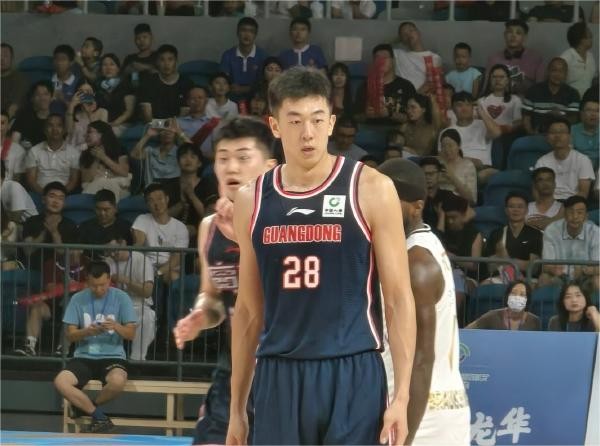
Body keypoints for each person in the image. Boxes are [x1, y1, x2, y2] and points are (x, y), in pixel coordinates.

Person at [226, 67, 416, 445]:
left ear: (331, 123)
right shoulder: (251, 199)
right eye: (295, 121)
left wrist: (402, 397)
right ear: (275, 126)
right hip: (279, 373)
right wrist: (236, 409)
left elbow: (398, 298)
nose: (307, 133)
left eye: (316, 120)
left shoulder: (371, 188)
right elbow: (247, 309)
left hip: (353, 370)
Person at [172, 116, 277, 445]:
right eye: (223, 158)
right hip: (233, 370)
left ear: (269, 167)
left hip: (284, 370)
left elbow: (289, 296)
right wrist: (202, 313)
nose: (232, 167)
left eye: (243, 157)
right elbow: (214, 295)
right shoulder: (209, 227)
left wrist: (244, 237)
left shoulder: (289, 222)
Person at [378, 158, 470, 445]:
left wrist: (404, 438)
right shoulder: (419, 246)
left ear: (416, 206)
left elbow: (420, 358)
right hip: (432, 404)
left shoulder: (416, 262)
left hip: (422, 414)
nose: (378, 209)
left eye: (388, 202)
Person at [53, 260, 137, 433]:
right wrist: (88, 332)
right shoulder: (77, 299)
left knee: (117, 382)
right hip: (84, 356)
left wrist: (116, 326)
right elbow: (70, 335)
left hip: (113, 356)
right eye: (94, 286)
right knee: (61, 382)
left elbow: (131, 334)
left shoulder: (122, 297)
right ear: (87, 281)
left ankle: (86, 407)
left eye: (103, 285)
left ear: (109, 280)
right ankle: (100, 417)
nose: (99, 289)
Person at [16, 182, 78, 356]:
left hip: (62, 282)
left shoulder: (70, 225)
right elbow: (28, 250)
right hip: (38, 279)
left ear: (64, 202)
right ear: (43, 199)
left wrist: (55, 232)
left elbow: (65, 253)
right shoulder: (32, 222)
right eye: (52, 196)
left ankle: (62, 349)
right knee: (37, 307)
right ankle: (29, 347)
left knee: (70, 308)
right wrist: (45, 231)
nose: (56, 201)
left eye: (60, 198)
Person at [105, 239, 156, 360]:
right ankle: (110, 357)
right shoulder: (107, 262)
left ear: (123, 243)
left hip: (139, 303)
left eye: (115, 250)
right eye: (109, 251)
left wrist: (126, 280)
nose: (112, 254)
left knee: (147, 317)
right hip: (114, 304)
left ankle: (138, 358)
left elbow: (147, 291)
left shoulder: (141, 259)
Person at [132, 183, 189, 283]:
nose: (156, 203)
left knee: (173, 276)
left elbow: (177, 257)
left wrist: (158, 272)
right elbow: (138, 243)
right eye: (151, 200)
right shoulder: (142, 219)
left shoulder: (180, 227)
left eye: (159, 198)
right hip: (147, 266)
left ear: (167, 199)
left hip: (169, 268)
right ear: (147, 204)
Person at [441, 92, 501, 184]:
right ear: (453, 109)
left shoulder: (483, 126)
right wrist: (467, 161)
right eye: (459, 105)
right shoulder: (446, 132)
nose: (464, 108)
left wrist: (481, 112)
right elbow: (442, 158)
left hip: (482, 170)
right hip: (457, 169)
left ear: (473, 107)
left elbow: (497, 133)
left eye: (468, 105)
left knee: (482, 175)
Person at [540, 195, 599, 288]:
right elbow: (546, 265)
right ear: (564, 214)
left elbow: (598, 266)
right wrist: (555, 270)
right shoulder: (552, 230)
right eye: (571, 212)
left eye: (580, 213)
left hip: (586, 276)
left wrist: (584, 271)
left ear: (586, 216)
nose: (575, 216)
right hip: (559, 277)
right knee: (544, 278)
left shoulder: (595, 232)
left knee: (598, 280)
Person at [482, 191, 543, 280]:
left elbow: (533, 267)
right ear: (506, 210)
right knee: (485, 285)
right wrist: (517, 263)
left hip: (527, 280)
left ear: (526, 210)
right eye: (511, 206)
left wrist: (504, 259)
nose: (516, 210)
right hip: (500, 278)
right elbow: (490, 267)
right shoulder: (496, 234)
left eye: (520, 207)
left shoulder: (535, 234)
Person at [166, 143, 219, 242]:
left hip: (201, 234)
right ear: (178, 162)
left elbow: (210, 217)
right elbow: (162, 215)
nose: (188, 159)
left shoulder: (208, 184)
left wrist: (192, 196)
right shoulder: (170, 185)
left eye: (193, 157)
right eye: (184, 156)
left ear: (199, 163)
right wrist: (181, 204)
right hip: (170, 234)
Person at [534, 116, 595, 200]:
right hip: (549, 203)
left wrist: (567, 206)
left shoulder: (583, 160)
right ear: (547, 138)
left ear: (570, 136)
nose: (557, 136)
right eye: (553, 132)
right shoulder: (542, 162)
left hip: (574, 203)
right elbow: (536, 190)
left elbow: (583, 192)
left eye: (562, 132)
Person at [355, 44, 416, 126]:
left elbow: (413, 118)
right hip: (370, 129)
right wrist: (366, 115)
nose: (381, 61)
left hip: (398, 131)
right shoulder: (365, 86)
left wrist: (390, 114)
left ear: (393, 61)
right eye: (377, 58)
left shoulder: (406, 86)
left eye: (384, 57)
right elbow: (355, 118)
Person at [485, 19, 545, 97]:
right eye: (510, 32)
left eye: (518, 33)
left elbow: (540, 89)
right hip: (499, 100)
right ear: (504, 35)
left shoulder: (536, 58)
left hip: (526, 101)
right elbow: (487, 87)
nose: (513, 36)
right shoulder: (494, 58)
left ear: (525, 37)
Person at [25, 113, 80, 194]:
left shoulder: (74, 152)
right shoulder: (34, 151)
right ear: (45, 130)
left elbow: (73, 180)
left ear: (64, 130)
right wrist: (45, 195)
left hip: (65, 194)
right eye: (50, 125)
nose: (55, 129)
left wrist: (59, 195)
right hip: (40, 193)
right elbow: (31, 180)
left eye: (59, 125)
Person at [522, 57, 581, 134]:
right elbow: (526, 118)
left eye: (561, 71)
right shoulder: (533, 90)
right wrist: (532, 134)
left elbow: (573, 119)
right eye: (554, 70)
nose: (557, 74)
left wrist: (559, 118)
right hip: (536, 134)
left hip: (561, 136)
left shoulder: (573, 93)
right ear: (548, 72)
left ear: (566, 74)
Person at [138, 44, 194, 122]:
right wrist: (159, 125)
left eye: (170, 59)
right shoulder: (148, 82)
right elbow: (147, 115)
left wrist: (171, 126)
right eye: (162, 60)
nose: (166, 63)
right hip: (154, 125)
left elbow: (184, 113)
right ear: (157, 62)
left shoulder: (186, 83)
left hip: (177, 125)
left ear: (176, 61)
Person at [79, 121, 130, 200]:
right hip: (94, 188)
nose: (85, 135)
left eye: (89, 132)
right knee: (101, 181)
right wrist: (96, 159)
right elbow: (86, 179)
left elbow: (124, 172)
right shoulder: (85, 153)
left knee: (108, 182)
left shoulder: (119, 149)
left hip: (117, 188)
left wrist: (104, 157)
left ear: (101, 134)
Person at [220, 17, 267, 99]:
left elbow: (264, 83)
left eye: (251, 31)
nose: (247, 34)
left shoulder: (263, 56)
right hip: (232, 98)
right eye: (243, 30)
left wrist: (245, 89)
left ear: (255, 35)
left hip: (256, 99)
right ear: (237, 33)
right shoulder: (228, 55)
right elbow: (223, 80)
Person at [78, 189, 132, 259]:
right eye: (98, 209)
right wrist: (104, 250)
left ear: (115, 208)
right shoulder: (85, 226)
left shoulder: (126, 227)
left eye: (106, 209)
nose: (102, 213)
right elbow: (79, 251)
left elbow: (132, 253)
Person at [467, 280, 541, 330]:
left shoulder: (534, 321)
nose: (517, 297)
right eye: (513, 293)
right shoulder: (492, 316)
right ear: (507, 296)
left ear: (527, 300)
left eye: (522, 294)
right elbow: (468, 330)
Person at [393, 22, 443, 93]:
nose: (409, 35)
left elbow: (432, 84)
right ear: (401, 40)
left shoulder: (435, 58)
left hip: (424, 96)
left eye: (411, 30)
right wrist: (397, 40)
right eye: (404, 34)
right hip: (405, 96)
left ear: (418, 32)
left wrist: (415, 96)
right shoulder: (398, 54)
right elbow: (381, 49)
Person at [95, 54, 136, 135]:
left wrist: (113, 124)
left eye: (112, 64)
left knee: (104, 135)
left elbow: (129, 112)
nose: (108, 68)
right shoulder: (98, 86)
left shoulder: (126, 85)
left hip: (121, 124)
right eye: (104, 65)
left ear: (118, 69)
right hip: (102, 123)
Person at [479, 64, 523, 136]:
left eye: (501, 77)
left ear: (508, 80)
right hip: (486, 135)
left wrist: (500, 130)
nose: (498, 80)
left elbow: (517, 123)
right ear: (490, 80)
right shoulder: (481, 100)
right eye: (494, 77)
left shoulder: (515, 100)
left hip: (507, 136)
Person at [438, 128, 477, 204]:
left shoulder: (468, 165)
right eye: (443, 146)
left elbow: (472, 199)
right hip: (439, 203)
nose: (447, 149)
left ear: (459, 146)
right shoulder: (438, 163)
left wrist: (452, 177)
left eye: (450, 145)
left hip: (460, 205)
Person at [11, 80, 54, 149]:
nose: (42, 98)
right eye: (38, 95)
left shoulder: (56, 121)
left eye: (46, 94)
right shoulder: (23, 117)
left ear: (51, 97)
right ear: (33, 98)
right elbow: (14, 143)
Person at [560, 22, 596, 98]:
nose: (592, 39)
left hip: (588, 99)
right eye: (589, 37)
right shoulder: (566, 57)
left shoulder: (590, 56)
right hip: (569, 99)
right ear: (581, 39)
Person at [400, 93, 442, 158]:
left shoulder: (433, 127)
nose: (409, 111)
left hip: (426, 161)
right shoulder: (405, 127)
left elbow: (437, 115)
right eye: (408, 108)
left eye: (413, 107)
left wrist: (432, 101)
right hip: (406, 161)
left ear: (423, 109)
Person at [1, 43, 29, 119]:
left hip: (11, 119)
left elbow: (13, 107)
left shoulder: (20, 79)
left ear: (12, 58)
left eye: (5, 56)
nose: (1, 59)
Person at [51, 44, 81, 114]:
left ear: (71, 62)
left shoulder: (79, 83)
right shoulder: (48, 81)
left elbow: (80, 112)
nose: (59, 63)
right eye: (56, 59)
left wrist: (63, 100)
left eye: (63, 59)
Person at [570, 98, 599, 164]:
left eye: (597, 111)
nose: (593, 114)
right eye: (589, 110)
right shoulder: (571, 131)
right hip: (577, 166)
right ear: (581, 113)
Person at [1, 110, 26, 182]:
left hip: (7, 186)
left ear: (8, 126)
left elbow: (17, 180)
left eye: (2, 123)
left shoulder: (18, 150)